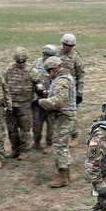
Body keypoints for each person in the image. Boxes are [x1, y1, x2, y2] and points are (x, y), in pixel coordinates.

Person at [36, 56, 77, 187]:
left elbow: (58, 101)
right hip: (64, 115)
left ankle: (62, 176)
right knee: (62, 145)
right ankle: (67, 174)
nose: (48, 73)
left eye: (49, 71)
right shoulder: (60, 79)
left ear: (54, 68)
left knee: (60, 145)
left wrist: (41, 102)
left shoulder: (62, 80)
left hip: (64, 115)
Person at [4, 47, 45, 159]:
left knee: (25, 129)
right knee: (12, 129)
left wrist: (39, 89)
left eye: (23, 62)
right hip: (11, 105)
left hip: (25, 105)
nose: (21, 64)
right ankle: (15, 149)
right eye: (18, 62)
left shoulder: (32, 70)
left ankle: (24, 150)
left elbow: (39, 82)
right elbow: (4, 84)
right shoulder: (9, 70)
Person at [58, 33, 84, 143]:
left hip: (72, 90)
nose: (67, 47)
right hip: (59, 88)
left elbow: (81, 75)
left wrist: (80, 93)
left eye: (70, 45)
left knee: (72, 114)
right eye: (65, 44)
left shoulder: (76, 57)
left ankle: (75, 136)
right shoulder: (56, 55)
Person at [31, 45, 57, 151]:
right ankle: (36, 141)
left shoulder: (57, 65)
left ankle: (49, 143)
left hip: (51, 98)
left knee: (50, 123)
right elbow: (31, 77)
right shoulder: (36, 63)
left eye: (49, 55)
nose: (46, 57)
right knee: (36, 122)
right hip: (37, 98)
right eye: (45, 55)